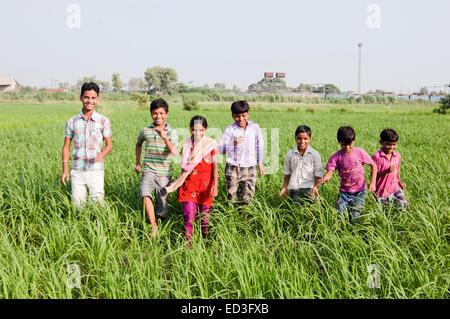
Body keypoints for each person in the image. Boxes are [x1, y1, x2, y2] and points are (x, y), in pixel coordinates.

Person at [164, 116, 218, 243]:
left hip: (205, 186)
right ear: (190, 130)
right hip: (189, 185)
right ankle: (188, 245)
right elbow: (185, 165)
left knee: (205, 220)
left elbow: (215, 166)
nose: (197, 133)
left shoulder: (211, 144)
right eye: (194, 130)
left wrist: (215, 185)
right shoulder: (186, 145)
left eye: (201, 130)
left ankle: (205, 243)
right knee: (189, 217)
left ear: (206, 130)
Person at [60, 82, 112, 209]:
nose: (90, 101)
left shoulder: (103, 121)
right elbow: (66, 146)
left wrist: (102, 155)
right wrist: (65, 169)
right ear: (81, 98)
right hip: (77, 170)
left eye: (93, 98)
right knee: (78, 206)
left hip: (95, 170)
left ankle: (98, 228)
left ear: (97, 99)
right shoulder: (72, 122)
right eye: (87, 97)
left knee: (98, 205)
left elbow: (109, 145)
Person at [135, 98, 178, 238]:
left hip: (164, 173)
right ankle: (153, 227)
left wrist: (164, 136)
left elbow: (174, 151)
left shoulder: (172, 132)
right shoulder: (145, 130)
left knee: (162, 207)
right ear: (151, 114)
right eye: (155, 113)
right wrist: (138, 163)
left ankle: (160, 223)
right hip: (149, 170)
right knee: (145, 191)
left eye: (161, 113)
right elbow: (138, 144)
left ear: (166, 114)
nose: (158, 116)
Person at [320, 126, 377, 223]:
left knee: (355, 216)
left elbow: (374, 165)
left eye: (349, 144)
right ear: (339, 141)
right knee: (340, 215)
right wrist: (326, 177)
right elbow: (330, 170)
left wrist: (372, 182)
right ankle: (340, 232)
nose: (347, 147)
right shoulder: (337, 156)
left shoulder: (359, 152)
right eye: (343, 145)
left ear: (354, 141)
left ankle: (354, 233)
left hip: (360, 192)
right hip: (344, 192)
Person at [219, 100, 265, 204]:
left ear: (248, 114)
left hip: (250, 165)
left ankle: (245, 216)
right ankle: (232, 216)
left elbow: (260, 145)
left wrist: (260, 164)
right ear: (233, 116)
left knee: (248, 195)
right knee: (232, 196)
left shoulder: (254, 127)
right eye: (237, 116)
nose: (241, 119)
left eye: (244, 116)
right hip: (233, 166)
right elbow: (221, 150)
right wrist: (233, 143)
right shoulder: (230, 130)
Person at [279, 125, 323, 201]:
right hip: (295, 189)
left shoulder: (314, 154)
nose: (302, 141)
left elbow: (318, 173)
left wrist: (315, 186)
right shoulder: (290, 154)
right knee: (294, 210)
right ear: (295, 138)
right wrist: (284, 187)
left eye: (305, 139)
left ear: (310, 139)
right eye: (299, 138)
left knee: (310, 210)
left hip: (310, 189)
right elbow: (287, 172)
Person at [371, 128, 408, 209]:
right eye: (388, 144)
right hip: (381, 190)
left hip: (395, 188)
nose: (391, 147)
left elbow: (397, 171)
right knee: (384, 211)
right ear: (381, 142)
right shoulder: (376, 157)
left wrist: (400, 182)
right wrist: (386, 171)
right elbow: (373, 176)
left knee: (404, 205)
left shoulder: (397, 156)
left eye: (394, 144)